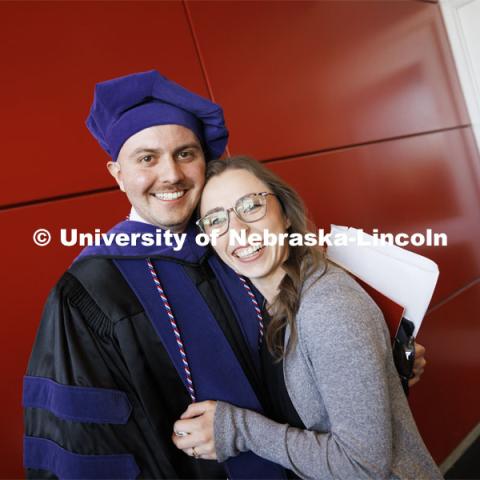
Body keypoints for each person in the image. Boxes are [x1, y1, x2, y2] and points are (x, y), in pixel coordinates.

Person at [23, 70, 427, 479]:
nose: (171, 175)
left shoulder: (238, 250)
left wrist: (377, 364)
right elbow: (87, 445)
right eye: (147, 158)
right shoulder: (90, 290)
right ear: (118, 175)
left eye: (185, 153)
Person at [172, 155, 442, 479]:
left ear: (285, 214)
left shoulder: (328, 307)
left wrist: (239, 429)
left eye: (250, 207)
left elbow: (363, 467)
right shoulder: (263, 306)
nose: (239, 231)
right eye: (216, 220)